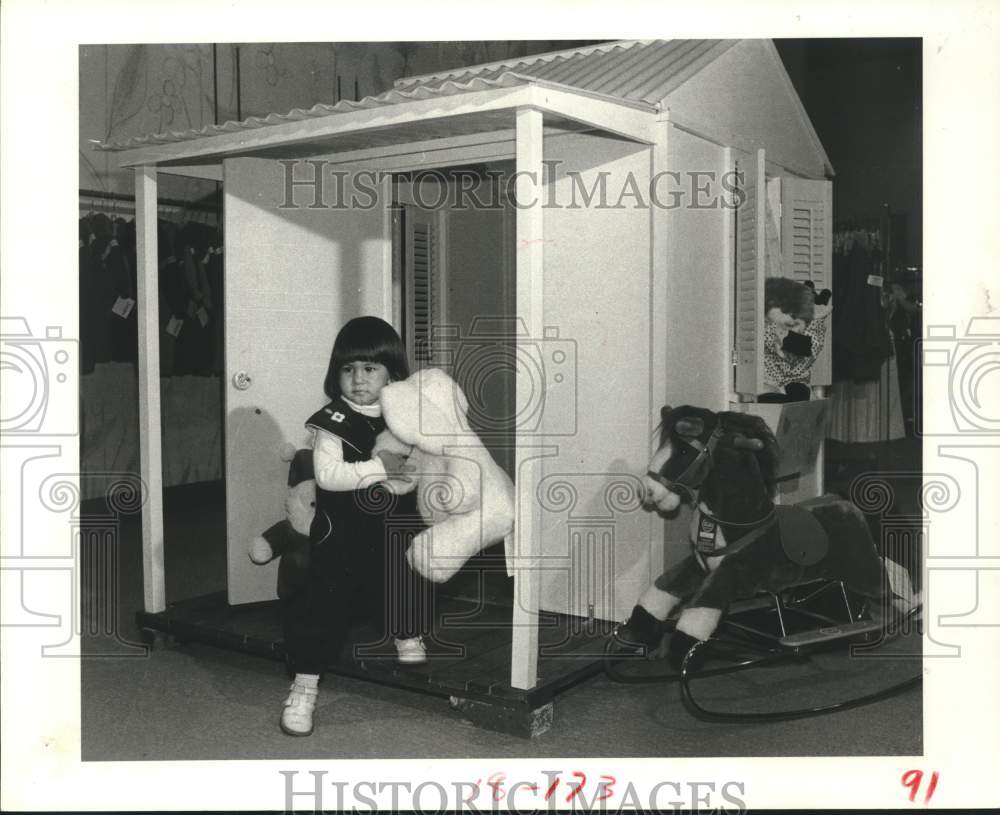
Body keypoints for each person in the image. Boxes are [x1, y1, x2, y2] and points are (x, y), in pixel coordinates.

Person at [280, 316, 431, 737]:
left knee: (405, 582)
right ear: (336, 375)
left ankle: (407, 634)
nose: (358, 380)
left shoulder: (403, 417)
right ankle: (304, 686)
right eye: (348, 370)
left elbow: (418, 466)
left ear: (393, 374)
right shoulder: (330, 421)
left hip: (391, 528)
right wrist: (378, 467)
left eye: (370, 369)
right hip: (341, 534)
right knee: (324, 610)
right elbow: (328, 476)